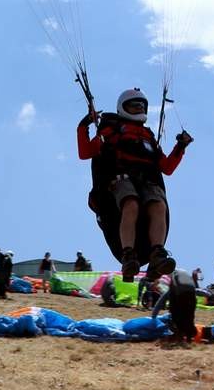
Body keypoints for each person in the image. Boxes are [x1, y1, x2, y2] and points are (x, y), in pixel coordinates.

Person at [77, 87, 191, 277]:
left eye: (141, 105)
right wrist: (84, 125)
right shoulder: (112, 130)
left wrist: (181, 146)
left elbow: (167, 167)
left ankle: (157, 253)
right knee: (131, 203)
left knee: (159, 205)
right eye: (134, 105)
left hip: (147, 181)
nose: (139, 109)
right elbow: (85, 152)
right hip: (120, 179)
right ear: (123, 108)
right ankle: (129, 254)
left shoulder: (148, 137)